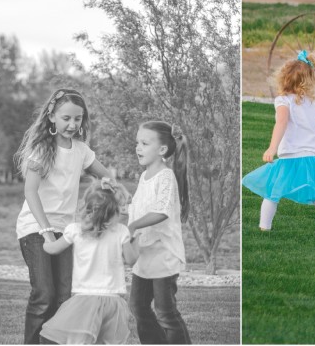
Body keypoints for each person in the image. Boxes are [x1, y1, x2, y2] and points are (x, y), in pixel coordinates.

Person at [14, 88, 114, 344]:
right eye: (66, 118)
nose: (72, 124)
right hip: (35, 229)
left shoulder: (81, 151)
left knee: (64, 297)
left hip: (65, 231)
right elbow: (31, 192)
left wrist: (109, 194)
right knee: (44, 294)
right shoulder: (40, 149)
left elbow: (106, 177)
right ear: (52, 117)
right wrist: (46, 230)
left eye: (77, 119)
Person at [242, 50, 315, 238]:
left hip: (290, 157)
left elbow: (281, 123)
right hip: (312, 158)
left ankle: (264, 227)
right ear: (310, 81)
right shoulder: (314, 106)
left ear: (283, 79)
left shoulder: (283, 101)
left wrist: (272, 148)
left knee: (272, 193)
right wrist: (314, 150)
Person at [39, 180, 137, 345]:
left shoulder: (75, 230)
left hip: (84, 300)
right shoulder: (121, 231)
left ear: (87, 208)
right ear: (114, 211)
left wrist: (44, 238)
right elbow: (131, 260)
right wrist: (138, 242)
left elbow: (53, 249)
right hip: (114, 301)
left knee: (79, 340)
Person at [128, 120, 192, 344]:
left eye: (144, 143)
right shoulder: (144, 177)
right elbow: (138, 208)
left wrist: (134, 226)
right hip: (145, 257)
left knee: (166, 313)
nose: (138, 147)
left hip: (163, 257)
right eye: (137, 142)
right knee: (138, 307)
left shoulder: (165, 176)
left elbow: (161, 211)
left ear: (162, 150)